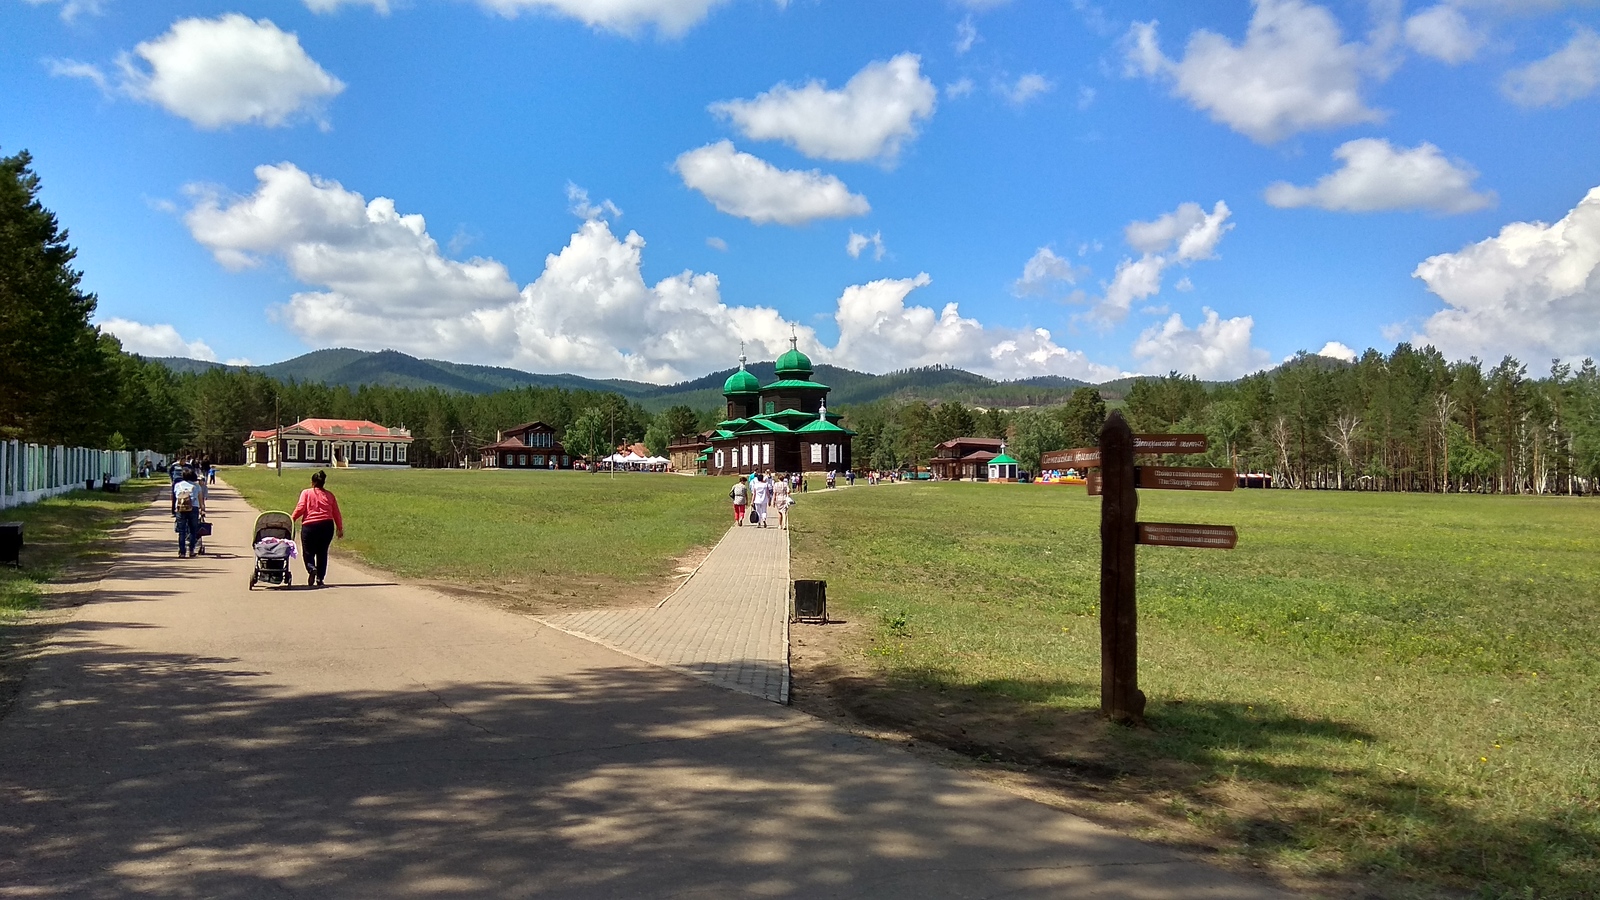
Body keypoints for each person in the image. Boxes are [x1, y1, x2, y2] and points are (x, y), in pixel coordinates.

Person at [291, 470, 344, 588]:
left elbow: (301, 508)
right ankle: (320, 578)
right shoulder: (330, 495)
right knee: (322, 552)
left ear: (312, 482)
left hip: (310, 526)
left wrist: (291, 519)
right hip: (327, 525)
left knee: (308, 551)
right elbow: (336, 512)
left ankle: (311, 568)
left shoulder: (306, 493)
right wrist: (339, 528)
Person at [171, 468, 205, 558]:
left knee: (182, 531)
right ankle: (191, 550)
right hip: (193, 508)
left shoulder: (178, 485)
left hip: (180, 509)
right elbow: (200, 499)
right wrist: (202, 509)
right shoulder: (196, 486)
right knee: (193, 531)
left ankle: (182, 552)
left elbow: (175, 496)